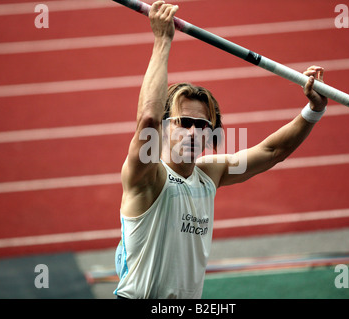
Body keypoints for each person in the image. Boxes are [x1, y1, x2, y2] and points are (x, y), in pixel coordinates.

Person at [114, 1, 328, 299]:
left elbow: (271, 152)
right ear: (163, 128)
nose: (193, 132)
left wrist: (313, 110)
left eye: (202, 126)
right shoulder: (148, 177)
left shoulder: (210, 174)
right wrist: (162, 41)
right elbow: (148, 118)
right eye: (183, 122)